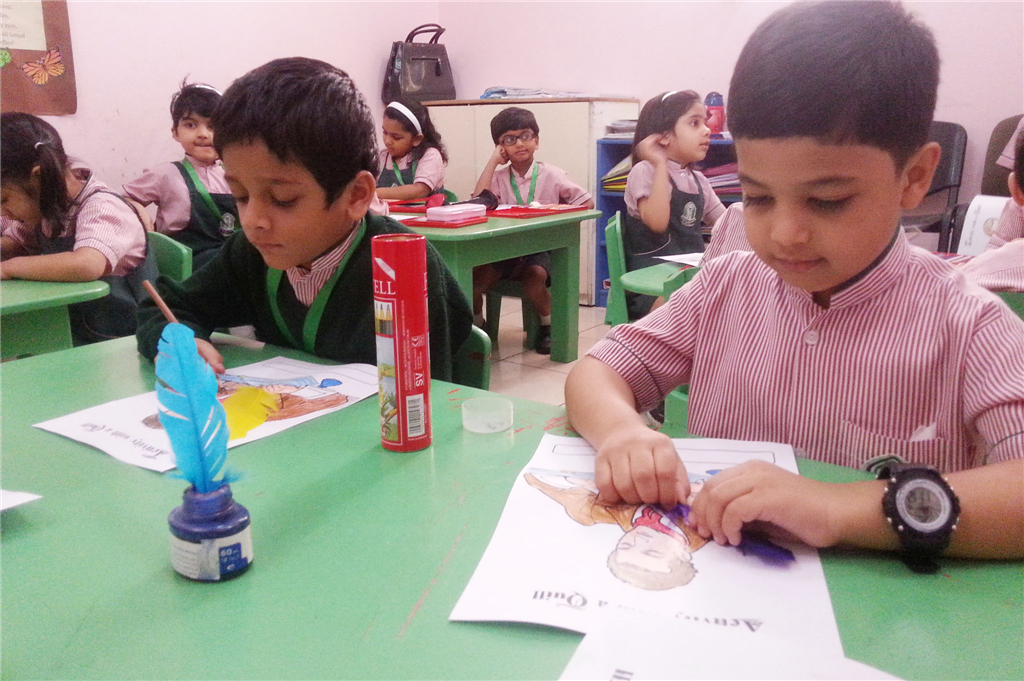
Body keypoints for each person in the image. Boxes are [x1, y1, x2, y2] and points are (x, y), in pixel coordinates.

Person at [564, 0, 1024, 561]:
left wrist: (839, 508)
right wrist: (622, 433)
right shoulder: (725, 286)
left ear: (915, 177)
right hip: (717, 586)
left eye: (827, 201)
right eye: (757, 197)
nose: (785, 234)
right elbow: (597, 371)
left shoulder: (972, 326)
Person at [135, 58, 473, 380]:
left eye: (283, 199)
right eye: (240, 195)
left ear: (356, 196)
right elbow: (166, 306)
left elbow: (426, 397)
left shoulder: (403, 270)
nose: (253, 220)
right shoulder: (251, 253)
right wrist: (179, 340)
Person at [0, 112, 154, 344]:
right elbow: (16, 241)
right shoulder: (49, 209)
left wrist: (9, 268)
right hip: (75, 334)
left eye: (3, 200)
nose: (2, 212)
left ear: (38, 178)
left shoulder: (102, 208)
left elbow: (87, 264)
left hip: (124, 341)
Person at [471, 107, 594, 354]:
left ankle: (548, 325)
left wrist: (554, 211)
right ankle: (478, 326)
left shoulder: (553, 174)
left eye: (526, 136)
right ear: (501, 148)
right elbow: (477, 203)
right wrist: (493, 161)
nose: (519, 143)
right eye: (510, 139)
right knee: (473, 279)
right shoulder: (499, 177)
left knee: (534, 278)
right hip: (505, 250)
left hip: (540, 249)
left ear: (536, 141)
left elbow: (587, 203)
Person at [623, 91, 726, 318]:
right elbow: (657, 223)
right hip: (651, 286)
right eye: (694, 123)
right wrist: (660, 164)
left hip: (689, 278)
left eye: (705, 122)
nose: (707, 130)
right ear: (663, 136)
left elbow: (727, 224)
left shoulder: (699, 180)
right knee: (690, 299)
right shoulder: (645, 171)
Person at [123, 82, 240, 271]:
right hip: (182, 263)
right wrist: (139, 212)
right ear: (175, 132)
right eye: (191, 125)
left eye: (212, 126)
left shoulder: (237, 173)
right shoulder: (166, 174)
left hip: (229, 259)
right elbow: (122, 200)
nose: (203, 134)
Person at [962, 131, 1024, 292]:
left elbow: (988, 264)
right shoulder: (1017, 210)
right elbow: (995, 250)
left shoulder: (970, 279)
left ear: (1015, 188)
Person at [375, 100, 448, 201]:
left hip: (425, 211)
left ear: (416, 139)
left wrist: (374, 193)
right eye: (385, 132)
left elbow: (420, 190)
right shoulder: (383, 157)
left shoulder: (430, 155)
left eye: (396, 137)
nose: (387, 141)